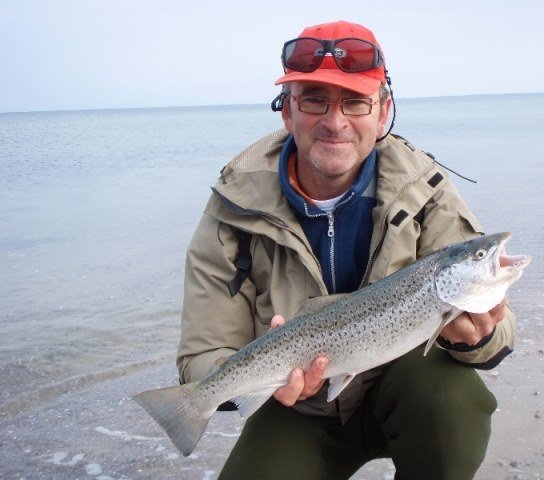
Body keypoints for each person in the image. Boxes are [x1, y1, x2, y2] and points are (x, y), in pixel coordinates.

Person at [177, 20, 516, 480]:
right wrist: (249, 379)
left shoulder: (426, 190)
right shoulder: (231, 208)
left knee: (452, 401)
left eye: (355, 102)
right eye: (314, 100)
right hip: (296, 410)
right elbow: (203, 353)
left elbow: (498, 328)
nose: (334, 123)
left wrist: (481, 335)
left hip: (405, 390)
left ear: (382, 113)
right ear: (287, 112)